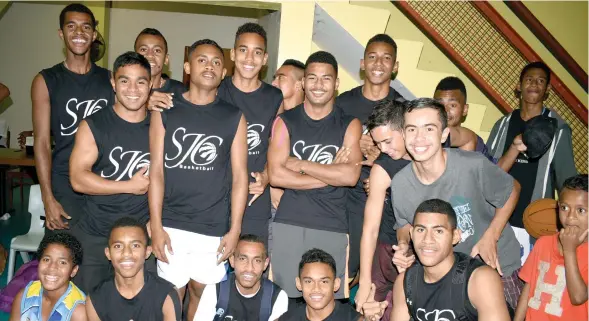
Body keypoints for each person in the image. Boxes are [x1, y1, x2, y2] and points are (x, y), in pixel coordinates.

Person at [148, 38, 248, 320]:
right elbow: (156, 171)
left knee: (202, 299)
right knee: (170, 298)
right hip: (171, 224)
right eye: (202, 59)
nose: (210, 66)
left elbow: (240, 177)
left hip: (213, 227)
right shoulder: (165, 109)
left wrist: (235, 229)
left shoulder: (234, 117)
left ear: (224, 72)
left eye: (217, 62)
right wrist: (155, 225)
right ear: (188, 66)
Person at [391, 98, 523, 309]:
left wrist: (491, 236)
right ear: (403, 134)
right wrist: (405, 248)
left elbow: (512, 189)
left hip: (497, 266)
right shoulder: (400, 184)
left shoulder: (471, 164)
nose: (419, 138)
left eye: (429, 129)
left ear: (444, 134)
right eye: (412, 129)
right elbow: (404, 225)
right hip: (449, 277)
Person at [267, 51, 362, 300]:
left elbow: (351, 176)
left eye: (326, 78)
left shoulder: (350, 124)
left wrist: (300, 164)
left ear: (337, 84)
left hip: (332, 225)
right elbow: (277, 176)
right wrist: (330, 173)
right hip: (289, 222)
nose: (318, 85)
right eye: (312, 78)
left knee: (326, 305)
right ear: (303, 83)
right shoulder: (284, 121)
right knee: (282, 303)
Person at [68, 51, 152, 293]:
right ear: (114, 83)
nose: (133, 89)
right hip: (96, 232)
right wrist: (127, 185)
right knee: (86, 304)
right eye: (125, 80)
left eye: (141, 81)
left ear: (151, 85)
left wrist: (156, 225)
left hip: (140, 235)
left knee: (141, 307)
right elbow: (78, 179)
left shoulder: (160, 126)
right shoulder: (94, 125)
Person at [32, 3, 114, 233]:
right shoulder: (45, 80)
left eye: (86, 27)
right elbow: (42, 142)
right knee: (63, 258)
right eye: (71, 26)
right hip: (64, 185)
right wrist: (47, 197)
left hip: (103, 181)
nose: (79, 33)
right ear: (61, 33)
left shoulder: (110, 80)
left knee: (103, 260)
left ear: (94, 34)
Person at [487, 61, 577, 261]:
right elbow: (488, 170)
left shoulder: (559, 129)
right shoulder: (503, 125)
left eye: (540, 81)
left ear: (547, 89)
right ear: (519, 86)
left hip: (532, 222)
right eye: (529, 79)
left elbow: (566, 181)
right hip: (498, 218)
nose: (534, 84)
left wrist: (569, 221)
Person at [336, 34, 405, 283]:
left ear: (395, 66)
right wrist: (352, 147)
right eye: (372, 57)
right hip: (344, 195)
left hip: (386, 202)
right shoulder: (343, 102)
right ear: (362, 63)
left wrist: (380, 157)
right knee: (343, 268)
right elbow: (328, 147)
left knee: (378, 276)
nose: (378, 64)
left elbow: (410, 161)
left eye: (386, 58)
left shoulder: (403, 108)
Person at [217, 22, 284, 246]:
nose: (249, 58)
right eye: (243, 50)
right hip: (215, 198)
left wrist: (266, 176)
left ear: (265, 59)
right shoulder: (216, 90)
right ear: (233, 54)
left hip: (254, 198)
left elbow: (279, 148)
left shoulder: (275, 98)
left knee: (251, 269)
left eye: (257, 52)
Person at [390, 199, 511, 321]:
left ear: (455, 236)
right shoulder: (405, 282)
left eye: (438, 231)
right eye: (421, 230)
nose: (427, 239)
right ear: (411, 234)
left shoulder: (479, 279)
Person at [355, 100, 411, 313]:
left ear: (405, 129)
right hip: (387, 248)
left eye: (387, 141)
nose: (383, 150)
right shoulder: (383, 166)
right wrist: (363, 282)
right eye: (378, 144)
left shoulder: (430, 157)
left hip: (424, 250)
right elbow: (370, 229)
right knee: (369, 309)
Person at [514, 174, 588, 321]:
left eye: (581, 210)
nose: (570, 217)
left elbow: (578, 297)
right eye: (564, 208)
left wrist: (569, 250)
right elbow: (528, 289)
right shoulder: (544, 243)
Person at [85, 217, 181, 321]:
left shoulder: (166, 295)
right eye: (118, 246)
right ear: (108, 253)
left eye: (135, 245)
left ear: (147, 252)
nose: (126, 253)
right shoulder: (96, 299)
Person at [194, 234, 289, 320]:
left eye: (257, 261)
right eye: (243, 259)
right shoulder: (214, 290)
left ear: (265, 264)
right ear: (232, 260)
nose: (249, 268)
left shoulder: (277, 297)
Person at [278, 249, 388, 321]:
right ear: (299, 284)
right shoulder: (288, 318)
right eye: (309, 281)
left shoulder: (351, 318)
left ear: (336, 284)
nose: (316, 288)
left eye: (324, 281)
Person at [10, 233, 86, 321]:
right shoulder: (25, 295)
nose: (52, 267)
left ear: (73, 271)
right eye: (47, 259)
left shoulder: (78, 311)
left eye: (62, 262)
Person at [433, 76, 492, 159]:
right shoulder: (420, 136)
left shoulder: (475, 143)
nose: (445, 110)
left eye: (452, 105)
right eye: (439, 104)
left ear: (464, 109)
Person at [136, 28, 186, 112]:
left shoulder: (179, 90)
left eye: (157, 50)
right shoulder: (125, 89)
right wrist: (142, 104)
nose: (150, 55)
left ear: (166, 59)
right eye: (143, 49)